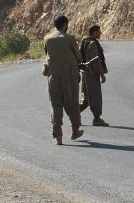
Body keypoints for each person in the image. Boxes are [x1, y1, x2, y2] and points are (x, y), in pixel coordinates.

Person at [43, 15, 84, 145]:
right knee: (72, 105)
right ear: (65, 25)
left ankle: (58, 136)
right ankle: (75, 130)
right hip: (69, 77)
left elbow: (47, 55)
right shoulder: (70, 39)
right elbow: (79, 57)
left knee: (55, 105)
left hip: (53, 78)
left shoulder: (47, 39)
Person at [78, 24, 109, 126]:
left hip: (84, 73)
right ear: (94, 32)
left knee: (85, 98)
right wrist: (102, 75)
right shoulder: (93, 43)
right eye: (99, 31)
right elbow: (96, 61)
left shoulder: (84, 41)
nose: (100, 33)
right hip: (92, 74)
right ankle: (97, 119)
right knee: (95, 97)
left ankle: (75, 115)